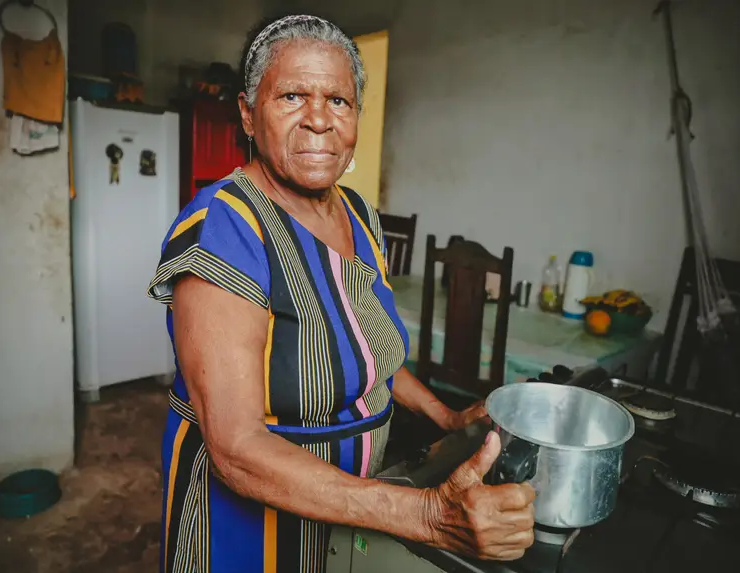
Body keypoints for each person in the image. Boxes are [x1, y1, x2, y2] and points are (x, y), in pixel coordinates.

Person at [147, 14, 535, 573]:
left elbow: (367, 345)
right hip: (242, 532)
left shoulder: (357, 214)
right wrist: (425, 515)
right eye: (292, 96)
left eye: (339, 101)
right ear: (247, 115)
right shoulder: (225, 228)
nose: (319, 120)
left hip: (349, 512)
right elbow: (234, 450)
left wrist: (444, 416)